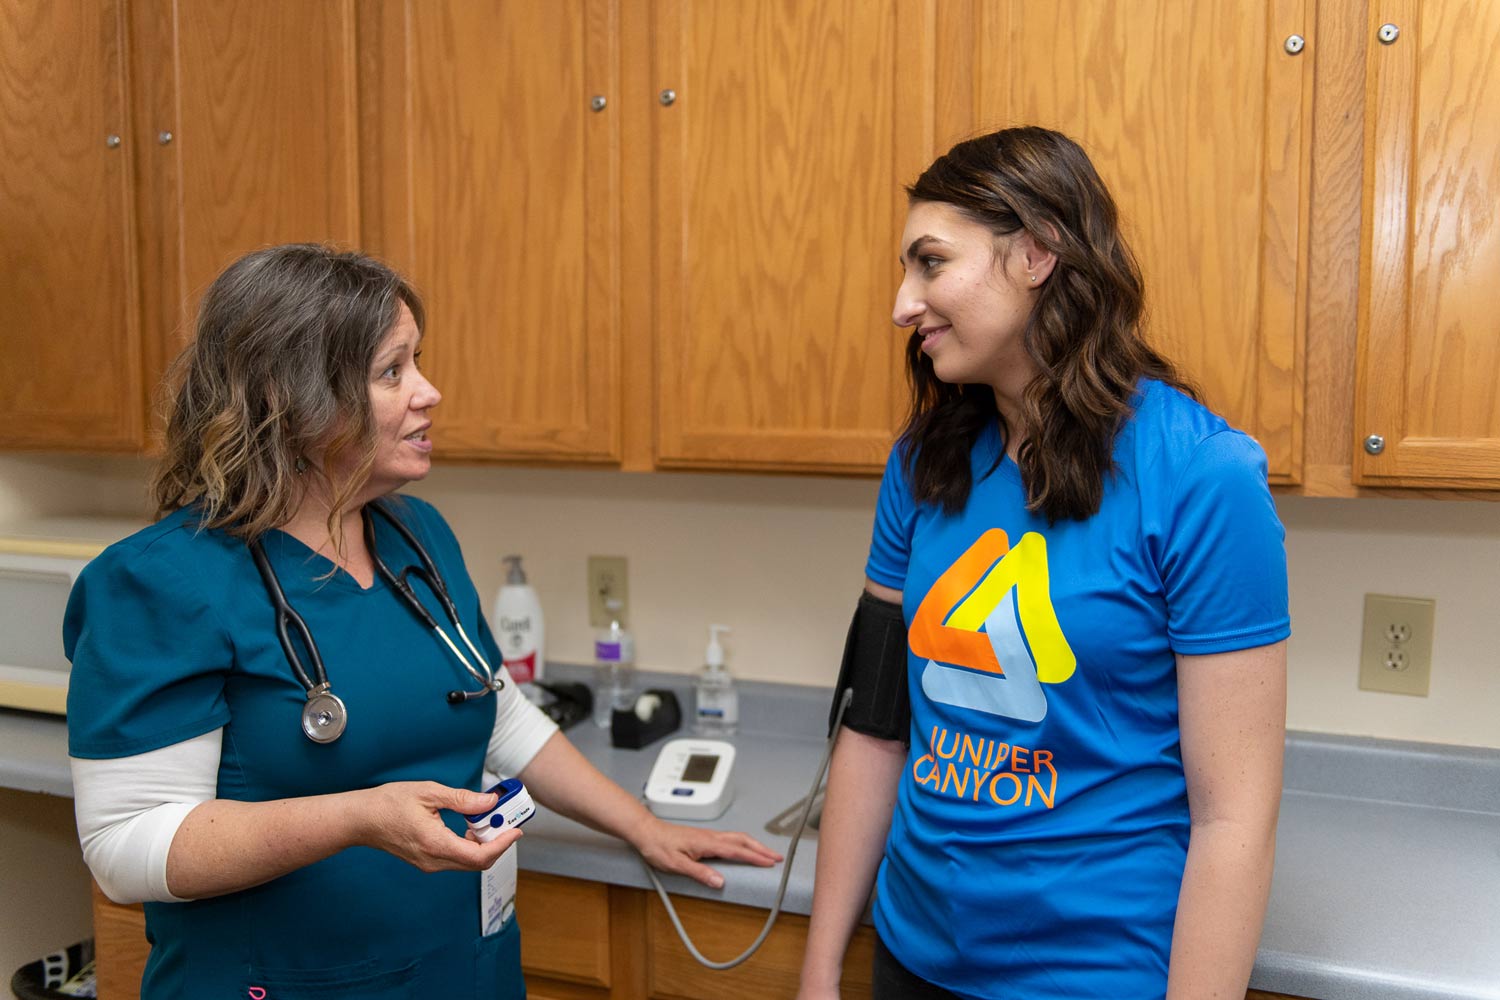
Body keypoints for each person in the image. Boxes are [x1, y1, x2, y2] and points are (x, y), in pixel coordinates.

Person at [64, 244, 781, 999]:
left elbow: (499, 713)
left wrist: (642, 825)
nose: (429, 391)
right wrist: (358, 818)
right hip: (288, 982)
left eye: (418, 362)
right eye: (392, 371)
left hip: (463, 966)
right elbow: (125, 847)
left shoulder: (418, 535)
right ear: (293, 398)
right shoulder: (162, 581)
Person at [798, 127, 1289, 1000]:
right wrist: (819, 970)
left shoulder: (1201, 476)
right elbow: (874, 730)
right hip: (913, 955)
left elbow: (1234, 822)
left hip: (1094, 974)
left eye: (931, 263)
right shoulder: (924, 462)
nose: (903, 305)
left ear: (1036, 253)